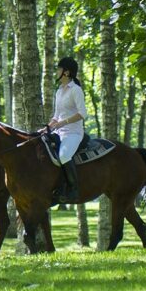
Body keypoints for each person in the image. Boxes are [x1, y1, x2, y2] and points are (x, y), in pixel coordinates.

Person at [47, 57, 87, 202]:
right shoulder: (59, 91)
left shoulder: (76, 90)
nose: (56, 71)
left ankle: (73, 189)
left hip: (73, 133)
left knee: (63, 156)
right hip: (59, 132)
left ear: (67, 72)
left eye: (59, 69)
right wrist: (46, 127)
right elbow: (57, 116)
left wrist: (63, 122)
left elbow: (83, 113)